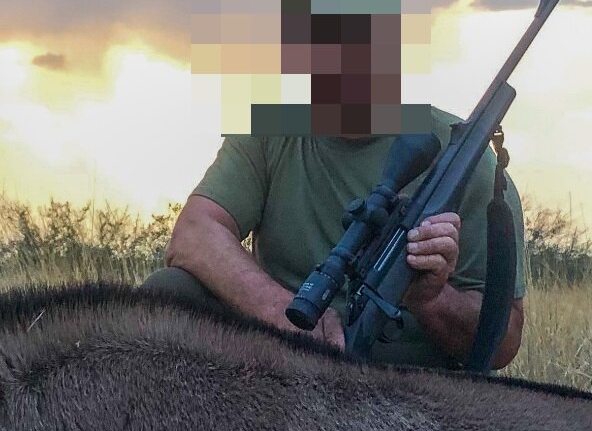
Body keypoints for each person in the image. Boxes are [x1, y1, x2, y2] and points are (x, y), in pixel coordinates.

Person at [144, 111, 527, 368]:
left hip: (410, 385)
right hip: (285, 360)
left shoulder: (467, 160)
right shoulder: (270, 129)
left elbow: (503, 341)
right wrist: (282, 313)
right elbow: (193, 232)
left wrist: (430, 297)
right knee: (169, 292)